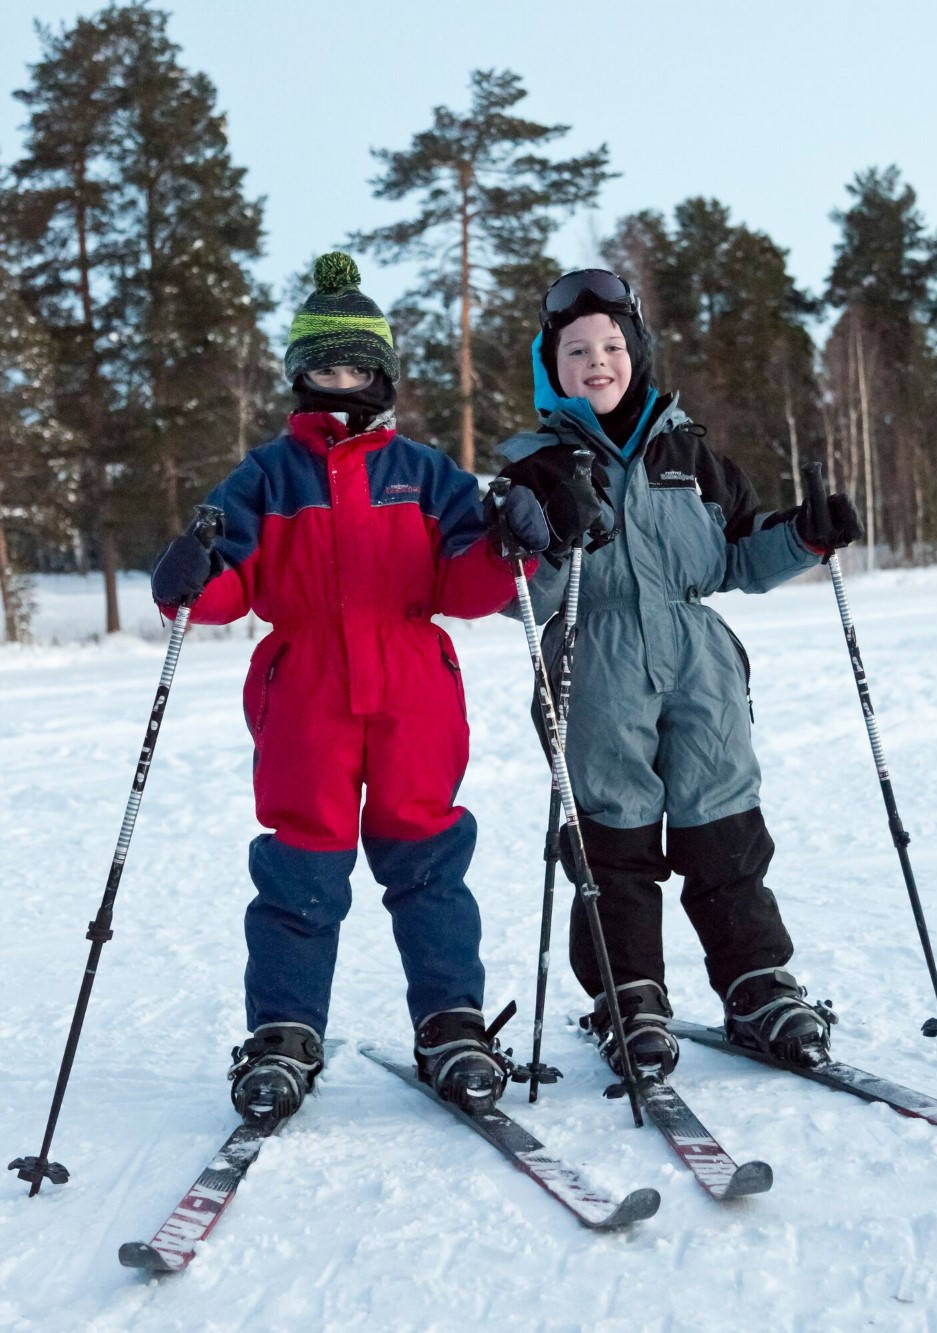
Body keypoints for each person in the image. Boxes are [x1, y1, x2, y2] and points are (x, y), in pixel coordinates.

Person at [150, 252, 559, 1119]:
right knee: (301, 867)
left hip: (414, 693)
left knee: (429, 862)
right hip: (305, 702)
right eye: (326, 367)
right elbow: (225, 584)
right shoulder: (267, 475)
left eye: (358, 368)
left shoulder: (426, 471)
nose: (342, 383)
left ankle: (452, 1023)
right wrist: (186, 572)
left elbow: (469, 583)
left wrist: (508, 543)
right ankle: (284, 1035)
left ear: (383, 375)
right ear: (300, 375)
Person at [497, 268, 864, 1075]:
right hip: (595, 668)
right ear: (549, 367)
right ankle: (628, 997)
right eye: (577, 351)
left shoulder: (688, 451)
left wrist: (804, 535)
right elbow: (517, 593)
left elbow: (735, 554)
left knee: (724, 828)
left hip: (700, 669)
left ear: (640, 354)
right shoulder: (533, 470)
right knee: (612, 838)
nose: (598, 362)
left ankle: (757, 984)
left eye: (613, 346)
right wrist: (548, 532)